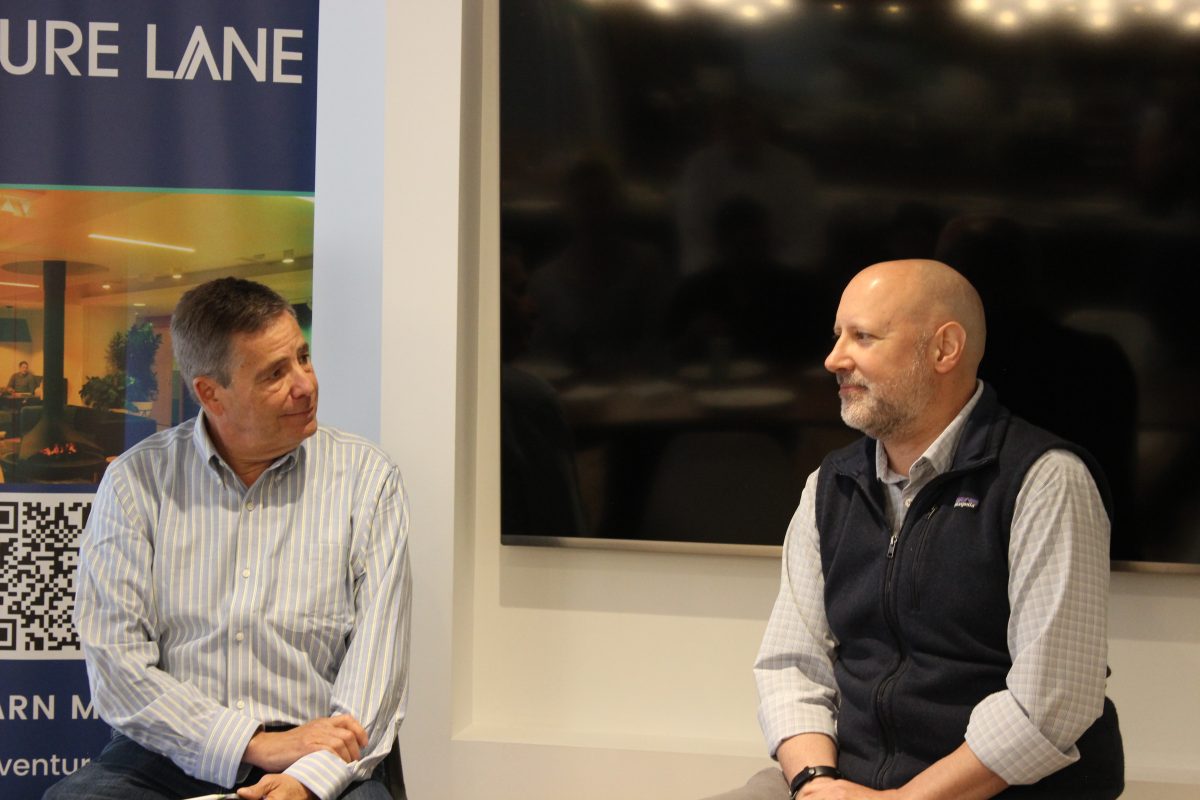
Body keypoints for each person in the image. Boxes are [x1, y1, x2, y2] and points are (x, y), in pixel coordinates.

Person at [708, 260, 1122, 799]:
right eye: (837, 336)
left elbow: (1052, 701)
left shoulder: (1044, 480)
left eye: (863, 337)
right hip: (845, 780)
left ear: (944, 349)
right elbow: (793, 664)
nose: (834, 359)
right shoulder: (831, 484)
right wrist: (815, 782)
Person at [44, 278, 411, 800]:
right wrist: (253, 744)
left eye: (303, 358)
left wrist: (308, 780)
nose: (305, 385)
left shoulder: (368, 480)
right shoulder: (135, 483)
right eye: (275, 374)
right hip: (168, 753)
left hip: (318, 752)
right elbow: (117, 670)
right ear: (210, 393)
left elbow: (378, 671)